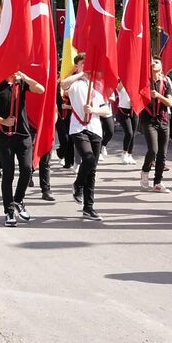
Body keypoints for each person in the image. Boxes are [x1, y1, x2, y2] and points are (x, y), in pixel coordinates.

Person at [0, 69, 46, 227]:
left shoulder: (22, 84)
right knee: (8, 174)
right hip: (5, 137)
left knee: (27, 170)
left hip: (23, 135)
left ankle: (18, 200)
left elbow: (41, 89)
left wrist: (24, 77)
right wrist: (2, 121)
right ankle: (9, 211)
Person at [62, 55, 112, 222]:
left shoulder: (98, 87)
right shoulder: (75, 84)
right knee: (88, 159)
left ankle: (88, 207)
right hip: (78, 128)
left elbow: (106, 110)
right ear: (77, 66)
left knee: (92, 170)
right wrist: (81, 73)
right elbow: (63, 84)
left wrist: (94, 111)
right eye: (83, 63)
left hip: (95, 128)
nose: (87, 66)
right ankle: (78, 184)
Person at [139, 58, 172, 192]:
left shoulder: (166, 82)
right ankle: (145, 171)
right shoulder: (144, 81)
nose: (153, 64)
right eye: (152, 62)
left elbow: (170, 103)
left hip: (164, 119)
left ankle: (158, 182)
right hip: (149, 120)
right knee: (153, 150)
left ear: (162, 66)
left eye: (157, 62)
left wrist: (158, 95)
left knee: (162, 153)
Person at [114, 80, 137, 165]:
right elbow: (118, 88)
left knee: (133, 133)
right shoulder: (121, 83)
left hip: (134, 109)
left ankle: (130, 154)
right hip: (123, 110)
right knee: (129, 133)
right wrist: (125, 78)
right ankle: (124, 153)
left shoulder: (135, 82)